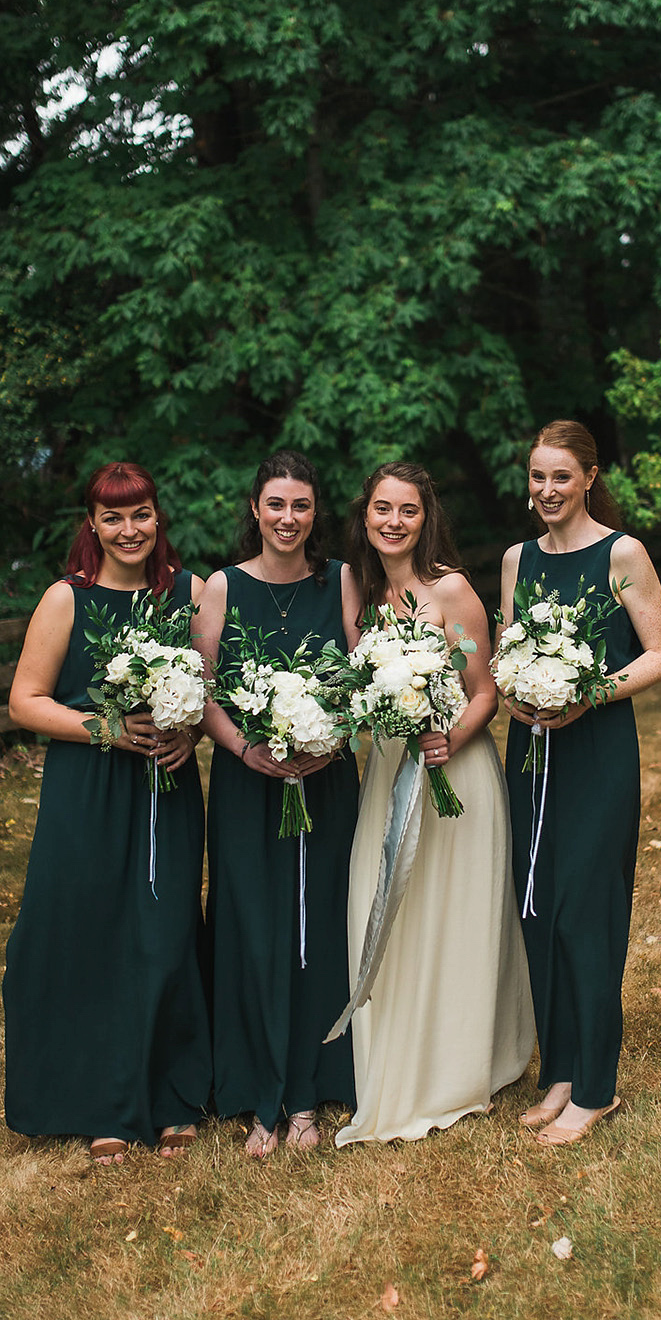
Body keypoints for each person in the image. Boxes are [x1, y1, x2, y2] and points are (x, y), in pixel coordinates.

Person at [3, 462, 212, 1165]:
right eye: (114, 517)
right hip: (87, 789)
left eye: (142, 514)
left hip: (167, 786)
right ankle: (103, 1105)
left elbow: (214, 689)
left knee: (165, 932)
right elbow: (25, 700)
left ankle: (176, 1095)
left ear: (159, 518)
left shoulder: (190, 593)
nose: (130, 530)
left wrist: (186, 727)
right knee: (89, 934)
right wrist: (106, 729)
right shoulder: (68, 599)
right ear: (91, 524)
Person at [334, 462, 535, 1146]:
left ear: (427, 519)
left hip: (458, 775)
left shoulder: (451, 590)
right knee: (382, 903)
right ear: (366, 516)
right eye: (382, 509)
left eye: (408, 511)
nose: (394, 521)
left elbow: (486, 689)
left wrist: (451, 737)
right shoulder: (362, 598)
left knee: (450, 915)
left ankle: (454, 1067)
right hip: (390, 774)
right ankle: (394, 1062)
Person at [500, 420, 661, 1146]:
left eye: (561, 477)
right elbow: (509, 648)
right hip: (532, 751)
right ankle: (560, 1070)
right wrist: (515, 693)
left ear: (590, 478)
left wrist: (589, 694)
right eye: (538, 476)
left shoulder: (621, 552)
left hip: (597, 747)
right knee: (538, 909)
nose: (547, 490)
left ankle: (596, 1087)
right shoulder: (516, 558)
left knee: (588, 912)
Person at [194, 451, 359, 1156]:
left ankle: (310, 1096)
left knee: (323, 924)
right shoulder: (224, 587)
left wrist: (335, 738)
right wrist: (242, 748)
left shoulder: (342, 580)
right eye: (275, 505)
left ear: (315, 513)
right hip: (246, 785)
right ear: (255, 510)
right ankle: (261, 1093)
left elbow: (362, 680)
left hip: (326, 779)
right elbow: (196, 688)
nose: (287, 518)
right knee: (253, 925)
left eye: (300, 506)